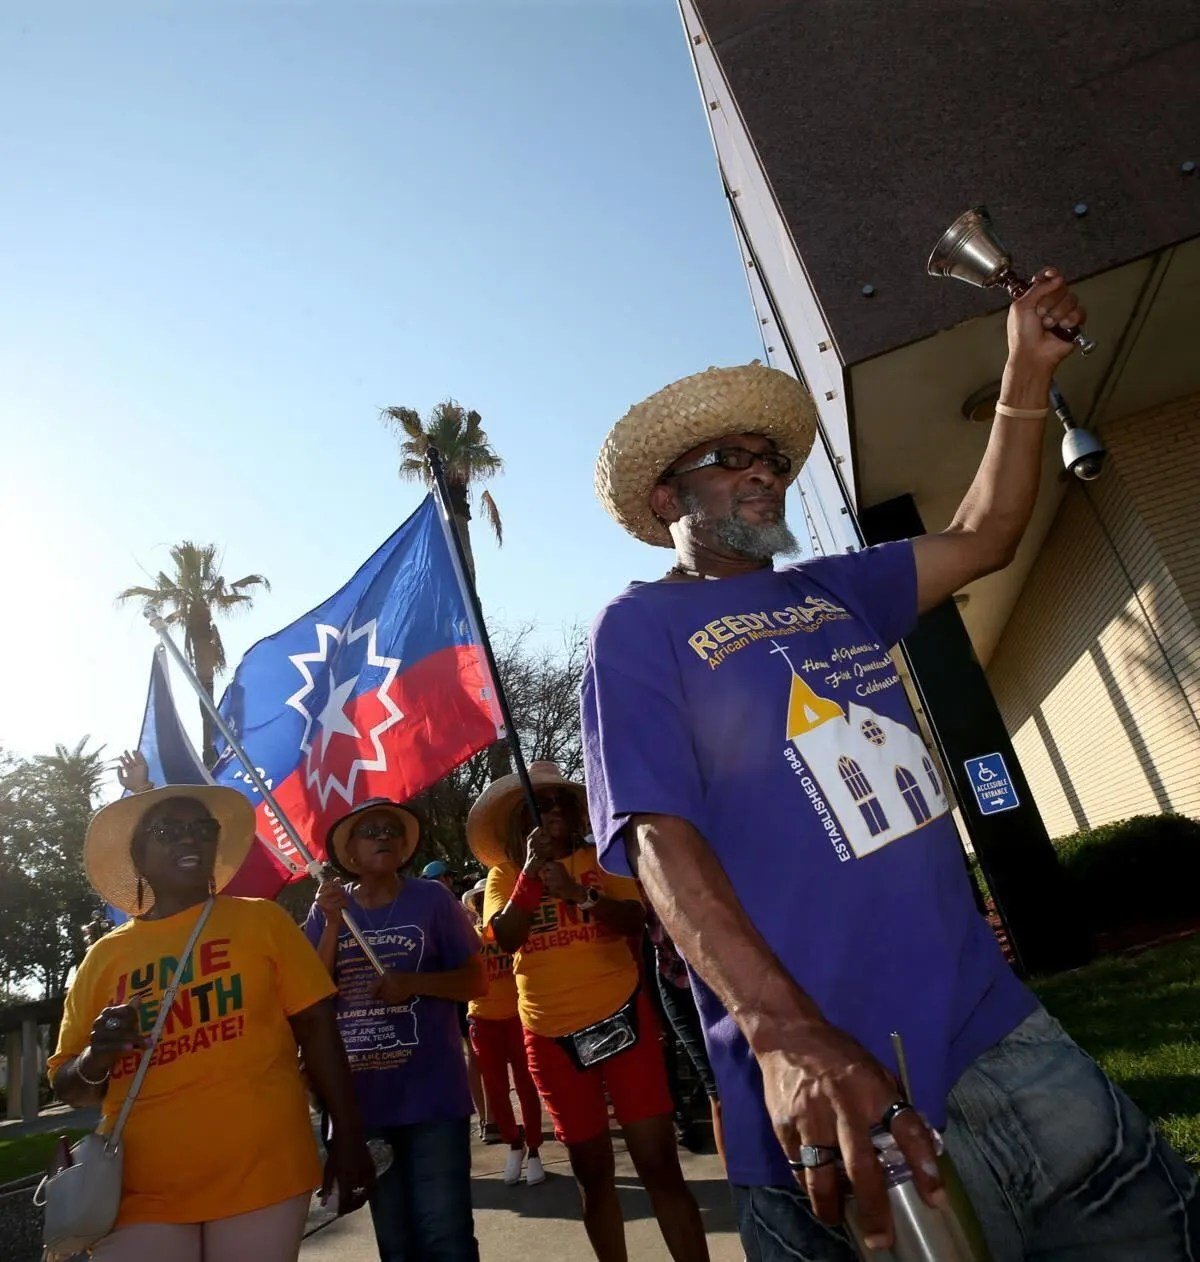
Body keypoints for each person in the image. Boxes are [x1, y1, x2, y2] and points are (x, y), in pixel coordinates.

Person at [581, 275, 1200, 1261]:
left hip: (1004, 1035)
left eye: (772, 459)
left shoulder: (838, 586)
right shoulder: (637, 627)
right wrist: (785, 1035)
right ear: (667, 497)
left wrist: (1025, 373)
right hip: (833, 1088)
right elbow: (654, 835)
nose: (763, 473)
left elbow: (990, 532)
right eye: (729, 458)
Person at [49, 785, 374, 1260]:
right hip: (140, 1188)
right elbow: (67, 1083)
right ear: (138, 855)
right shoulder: (104, 958)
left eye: (203, 829)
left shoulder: (263, 922)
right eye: (168, 831)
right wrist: (98, 1057)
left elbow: (319, 1030)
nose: (190, 841)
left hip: (264, 1169)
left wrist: (347, 1135)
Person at [470, 761, 709, 1262]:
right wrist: (532, 880)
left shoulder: (604, 857)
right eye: (541, 804)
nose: (553, 811)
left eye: (562, 802)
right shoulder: (503, 876)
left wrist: (578, 893)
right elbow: (506, 936)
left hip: (623, 1021)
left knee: (658, 1165)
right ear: (520, 820)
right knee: (593, 1174)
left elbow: (633, 919)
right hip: (550, 1036)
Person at [306, 798, 485, 1261]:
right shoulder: (327, 908)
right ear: (349, 851)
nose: (383, 837)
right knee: (397, 1244)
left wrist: (416, 984)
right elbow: (311, 996)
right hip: (365, 1104)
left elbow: (476, 979)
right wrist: (328, 925)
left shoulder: (432, 900)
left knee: (447, 1238)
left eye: (391, 830)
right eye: (371, 831)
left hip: (432, 1098)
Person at [461, 877, 547, 1186]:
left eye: (490, 897)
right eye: (480, 900)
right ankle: (514, 1143)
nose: (487, 903)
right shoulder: (469, 938)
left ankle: (535, 1148)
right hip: (483, 1020)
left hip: (516, 1016)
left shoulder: (514, 932)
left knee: (526, 1085)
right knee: (496, 1090)